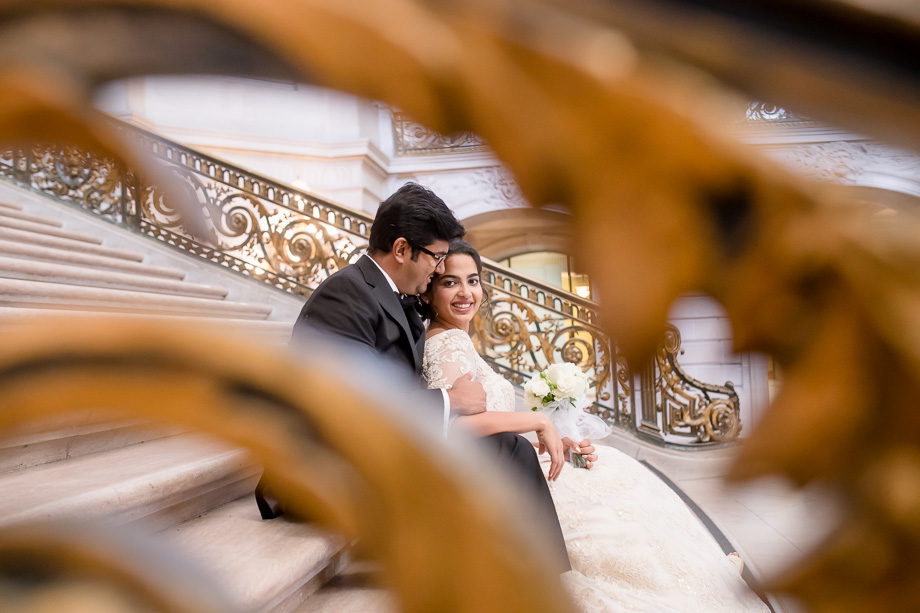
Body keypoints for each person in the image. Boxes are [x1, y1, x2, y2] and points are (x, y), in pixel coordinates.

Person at [421, 240, 770, 612]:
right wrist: (538, 420)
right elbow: (453, 426)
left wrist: (558, 441)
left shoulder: (459, 340)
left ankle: (702, 573)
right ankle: (693, 585)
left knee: (616, 473)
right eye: (450, 282)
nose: (465, 292)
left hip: (510, 459)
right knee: (615, 503)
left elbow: (489, 425)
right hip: (494, 481)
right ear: (429, 291)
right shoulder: (445, 344)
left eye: (472, 281)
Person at [256, 183, 571, 572]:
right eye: (437, 258)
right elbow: (347, 404)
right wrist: (451, 401)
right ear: (402, 249)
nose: (441, 269)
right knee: (505, 450)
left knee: (499, 453)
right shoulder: (344, 295)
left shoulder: (392, 298)